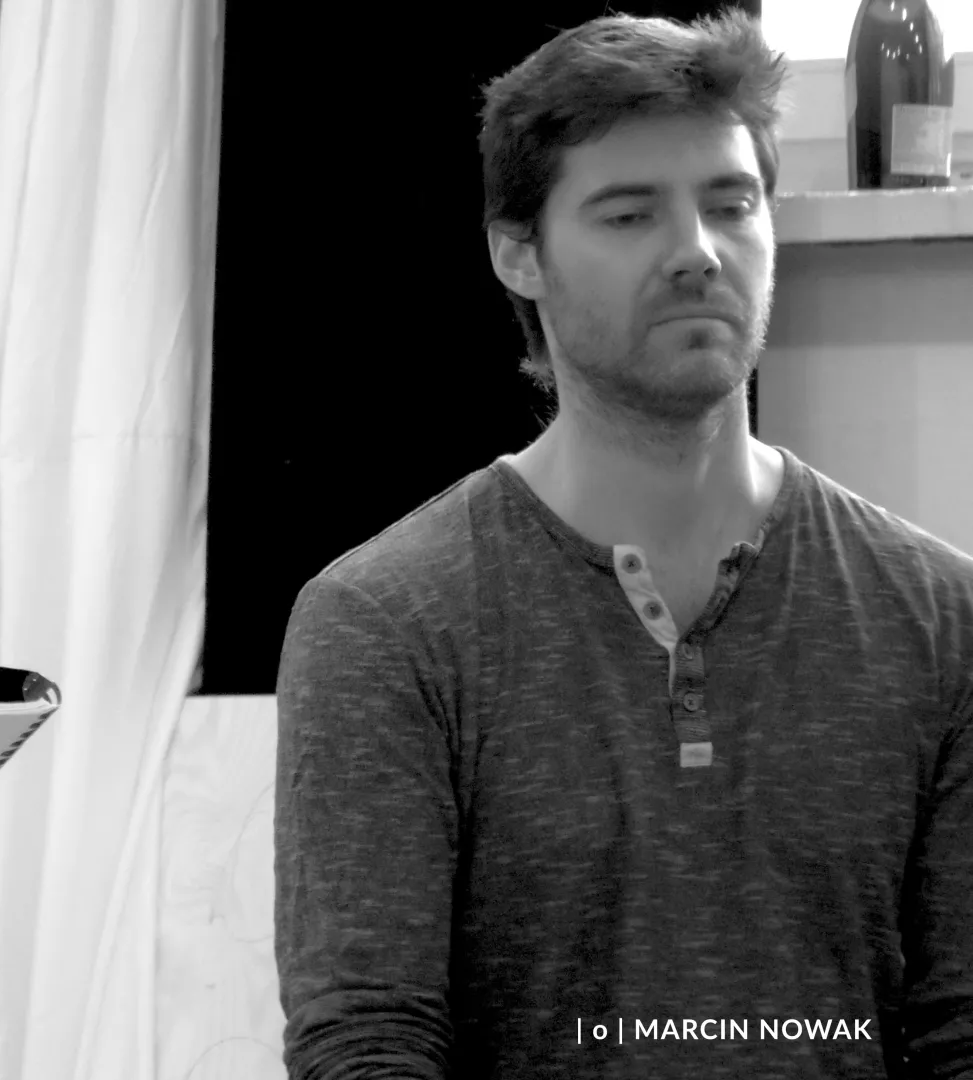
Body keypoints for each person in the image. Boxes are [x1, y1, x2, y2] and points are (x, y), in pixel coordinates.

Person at [272, 10, 971, 1079]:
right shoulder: (383, 623)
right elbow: (367, 1043)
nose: (697, 253)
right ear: (519, 254)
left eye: (731, 205)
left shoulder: (938, 617)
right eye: (630, 214)